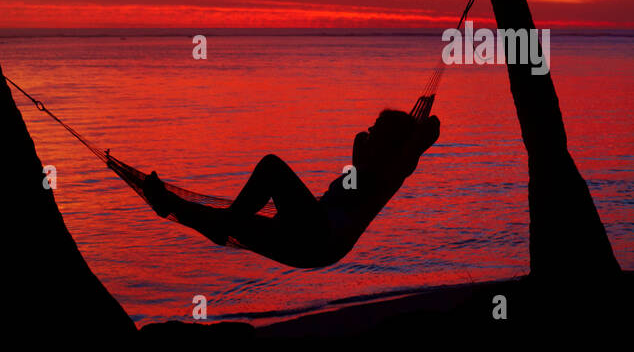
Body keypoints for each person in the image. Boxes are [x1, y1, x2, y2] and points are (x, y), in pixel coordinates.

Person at [142, 109, 441, 269]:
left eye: (377, 126)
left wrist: (408, 134)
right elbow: (359, 138)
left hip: (317, 236)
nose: (370, 129)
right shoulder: (365, 168)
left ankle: (223, 223)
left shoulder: (387, 174)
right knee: (235, 222)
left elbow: (431, 126)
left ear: (389, 139)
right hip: (309, 236)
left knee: (271, 167)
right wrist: (386, 134)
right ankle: (168, 204)